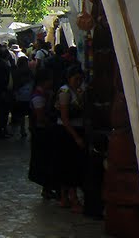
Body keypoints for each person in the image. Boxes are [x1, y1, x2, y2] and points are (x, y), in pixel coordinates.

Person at [55, 65, 86, 212]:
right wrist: (76, 137)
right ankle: (71, 198)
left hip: (74, 131)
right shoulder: (65, 92)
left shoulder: (78, 91)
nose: (78, 82)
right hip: (67, 133)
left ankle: (65, 197)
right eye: (76, 79)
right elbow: (65, 118)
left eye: (80, 79)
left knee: (69, 166)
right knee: (69, 166)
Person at [28, 70, 56, 199]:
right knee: (45, 161)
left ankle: (48, 187)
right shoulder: (39, 97)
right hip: (42, 133)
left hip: (42, 132)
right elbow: (40, 118)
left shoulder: (43, 94)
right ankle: (47, 188)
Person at [10, 57, 34, 138]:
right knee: (30, 113)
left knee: (21, 114)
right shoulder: (29, 71)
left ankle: (22, 129)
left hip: (20, 95)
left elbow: (15, 84)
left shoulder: (16, 72)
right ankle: (29, 129)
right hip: (28, 95)